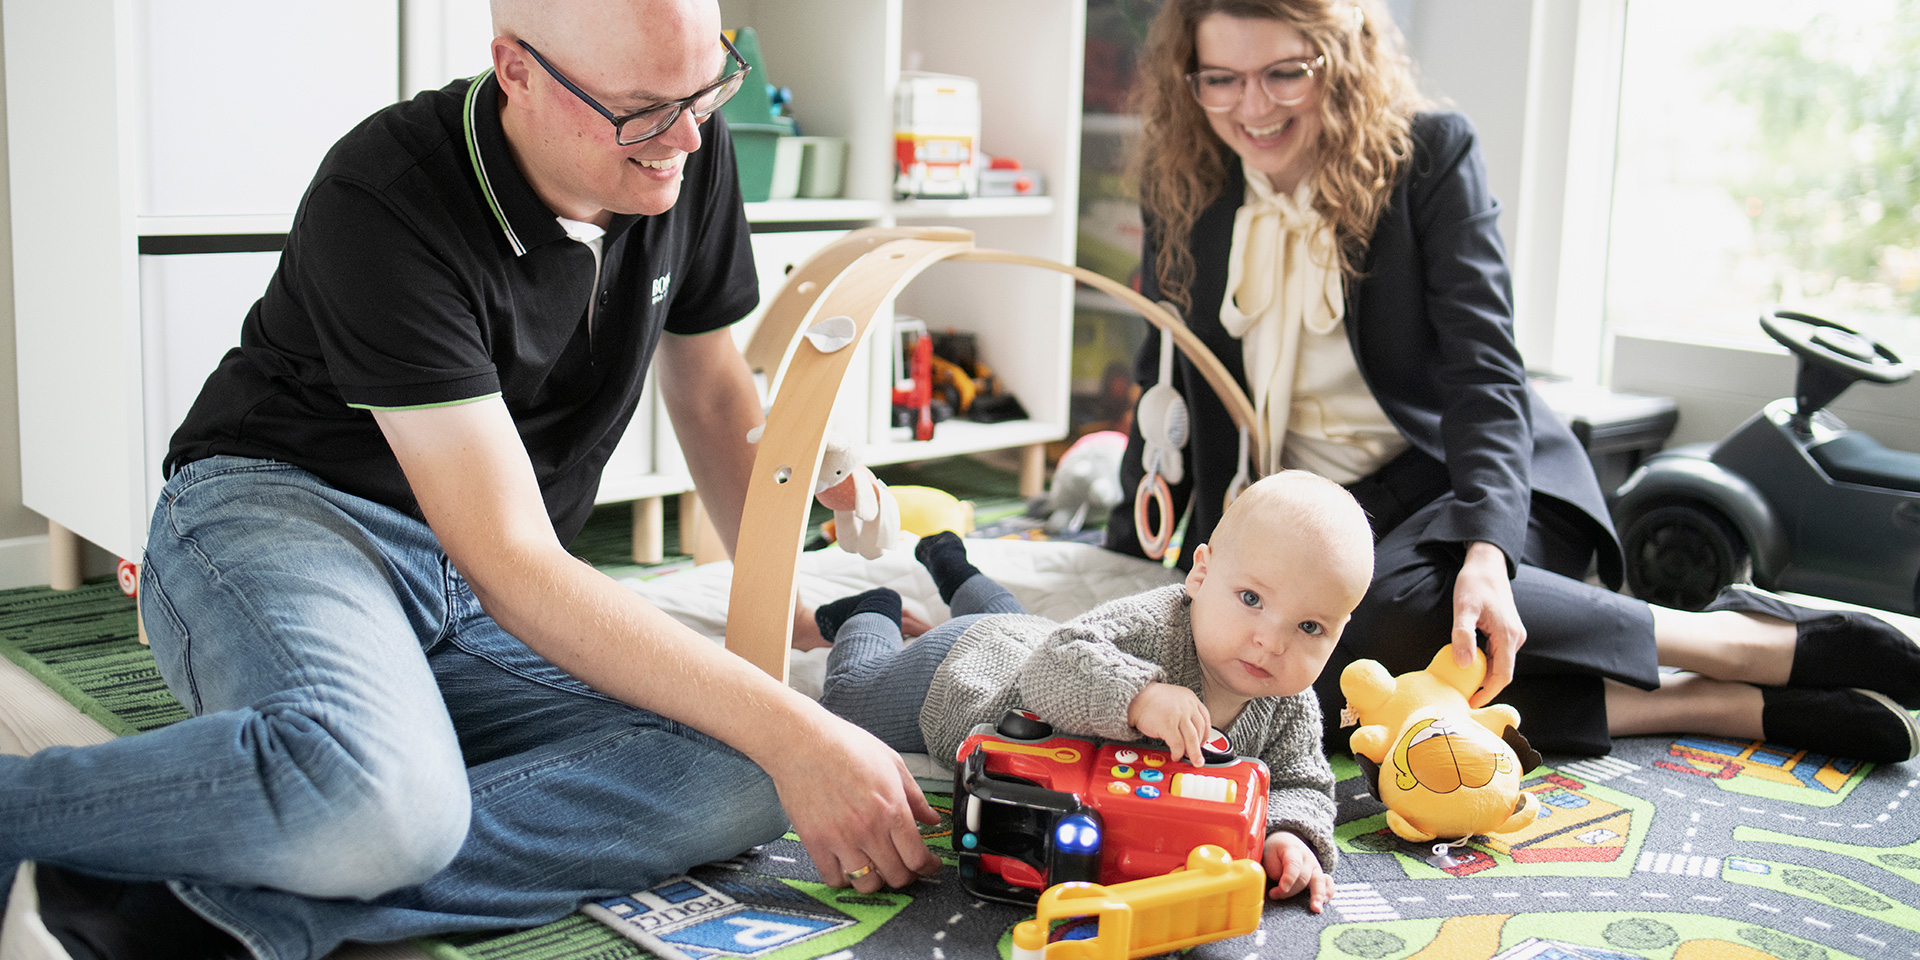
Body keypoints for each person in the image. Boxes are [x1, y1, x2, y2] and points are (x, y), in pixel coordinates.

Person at [0, 1, 941, 957]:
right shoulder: (386, 195)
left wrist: (782, 596)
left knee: (749, 765)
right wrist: (799, 735)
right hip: (288, 517)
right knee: (382, 801)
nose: (688, 137)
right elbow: (516, 561)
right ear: (517, 70)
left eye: (709, 87)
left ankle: (211, 903)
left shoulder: (686, 145)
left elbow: (709, 395)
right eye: (646, 110)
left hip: (483, 573)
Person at [1102, 0, 1920, 766]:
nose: (1253, 107)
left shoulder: (1428, 153)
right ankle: (1705, 704)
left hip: (1459, 477)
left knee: (1392, 626)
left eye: (1286, 72)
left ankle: (1737, 646)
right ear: (1192, 78)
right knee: (1289, 666)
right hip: (1314, 516)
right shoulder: (1185, 183)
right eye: (1222, 79)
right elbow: (1163, 372)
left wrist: (1486, 552)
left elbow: (1484, 369)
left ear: (1341, 58)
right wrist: (1125, 553)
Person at [815, 471, 1377, 912]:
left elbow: (1305, 782)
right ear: (1200, 574)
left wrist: (1287, 833)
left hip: (1031, 632)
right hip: (966, 671)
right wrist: (1140, 697)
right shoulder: (1155, 626)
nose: (1270, 642)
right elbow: (1050, 664)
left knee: (1024, 620)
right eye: (1252, 599)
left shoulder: (1291, 705)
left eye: (1309, 628)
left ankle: (952, 564)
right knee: (842, 708)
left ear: (1338, 633)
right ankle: (871, 611)